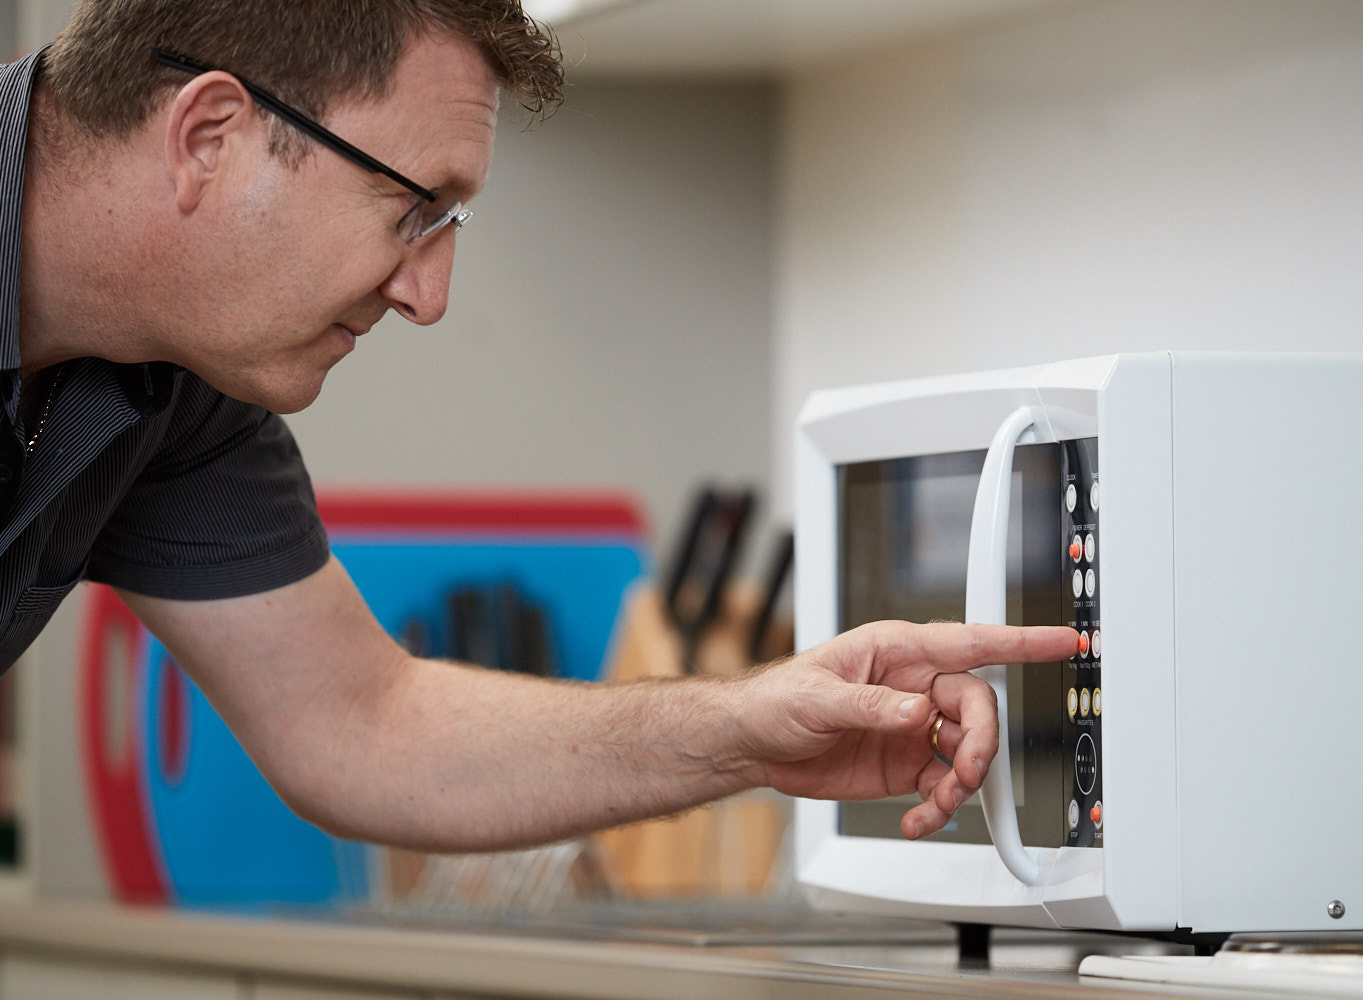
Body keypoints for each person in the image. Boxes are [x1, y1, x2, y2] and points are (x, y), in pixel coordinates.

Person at [1, 0, 1079, 853]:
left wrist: (744, 727)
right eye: (414, 208)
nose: (430, 296)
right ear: (210, 135)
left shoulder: (173, 382)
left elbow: (361, 723)